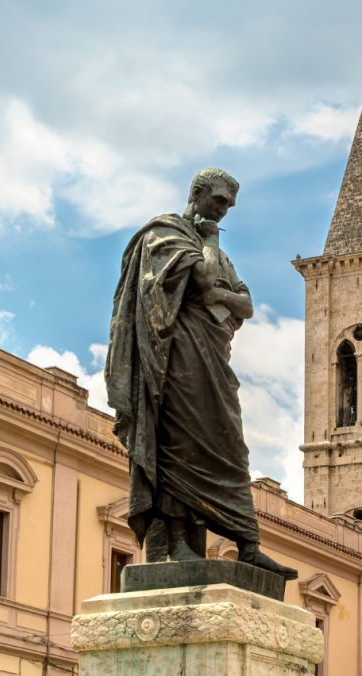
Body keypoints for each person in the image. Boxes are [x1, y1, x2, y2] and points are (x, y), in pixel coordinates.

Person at [105, 168, 297, 580]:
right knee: (181, 446)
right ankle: (175, 544)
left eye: (229, 205)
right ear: (197, 193)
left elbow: (244, 302)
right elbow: (205, 278)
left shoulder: (216, 252)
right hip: (177, 365)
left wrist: (222, 294)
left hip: (214, 364)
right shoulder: (165, 235)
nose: (225, 212)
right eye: (220, 201)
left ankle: (249, 546)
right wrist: (210, 246)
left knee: (233, 448)